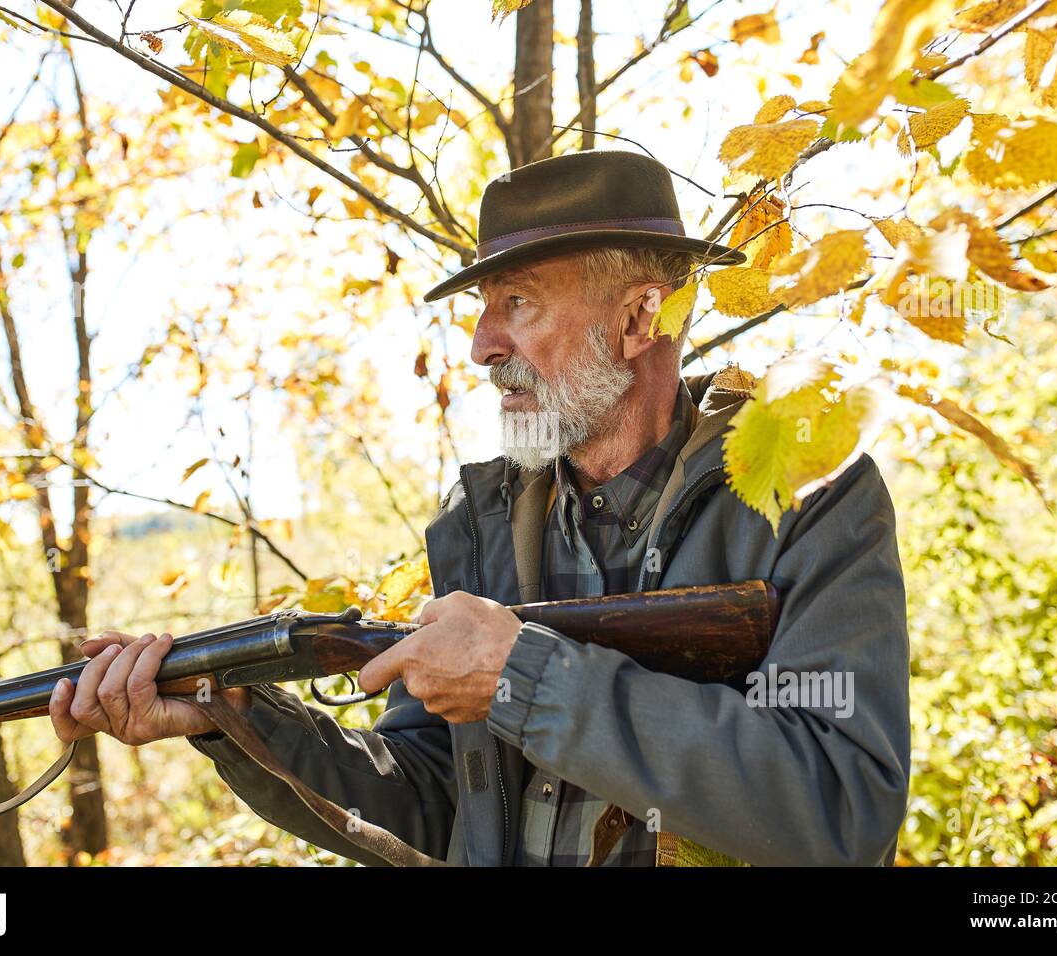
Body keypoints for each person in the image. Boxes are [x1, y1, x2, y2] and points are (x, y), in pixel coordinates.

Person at [49, 150, 910, 866]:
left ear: (642, 314)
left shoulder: (808, 492)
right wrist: (231, 717)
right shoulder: (480, 521)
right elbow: (429, 797)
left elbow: (839, 807)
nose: (480, 345)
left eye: (518, 303)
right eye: (482, 310)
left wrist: (525, 678)